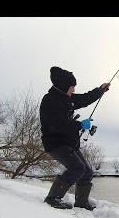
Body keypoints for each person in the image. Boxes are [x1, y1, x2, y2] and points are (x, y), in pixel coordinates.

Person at [39, 66, 110, 210]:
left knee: (87, 172)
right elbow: (58, 125)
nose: (74, 90)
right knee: (77, 167)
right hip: (55, 143)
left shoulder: (67, 98)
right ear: (64, 86)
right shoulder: (50, 101)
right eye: (72, 87)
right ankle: (52, 198)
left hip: (68, 143)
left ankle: (81, 203)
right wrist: (79, 125)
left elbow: (84, 99)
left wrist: (100, 90)